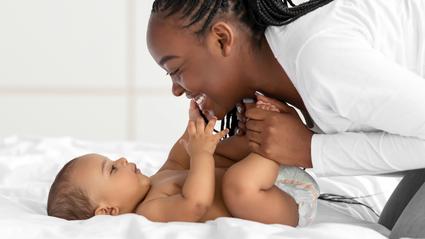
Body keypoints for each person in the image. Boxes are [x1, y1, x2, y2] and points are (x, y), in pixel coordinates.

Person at [146, 0, 425, 238]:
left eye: (176, 69)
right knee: (384, 231)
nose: (176, 89)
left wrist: (310, 150)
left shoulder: (321, 59)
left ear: (222, 39)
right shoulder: (296, 69)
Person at [46, 99, 320, 227]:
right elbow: (195, 203)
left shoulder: (156, 180)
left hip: (271, 181)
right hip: (283, 203)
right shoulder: (150, 212)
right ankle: (274, 142)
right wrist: (201, 156)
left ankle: (259, 133)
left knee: (217, 152)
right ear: (109, 211)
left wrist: (195, 123)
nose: (121, 159)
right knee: (234, 182)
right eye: (112, 169)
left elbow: (181, 155)